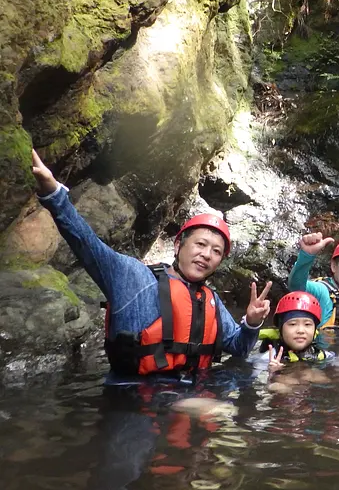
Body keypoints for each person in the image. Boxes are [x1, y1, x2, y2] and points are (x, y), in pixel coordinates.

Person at [30, 149, 271, 381]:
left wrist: (252, 322)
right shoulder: (132, 276)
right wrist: (54, 196)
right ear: (178, 246)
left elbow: (239, 348)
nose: (207, 255)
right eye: (200, 244)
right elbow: (86, 244)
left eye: (216, 251)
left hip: (191, 393)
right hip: (134, 394)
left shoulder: (211, 301)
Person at [259, 291, 335, 371]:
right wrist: (272, 373)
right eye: (292, 324)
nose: (300, 331)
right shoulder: (268, 358)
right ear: (281, 329)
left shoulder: (325, 356)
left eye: (307, 324)